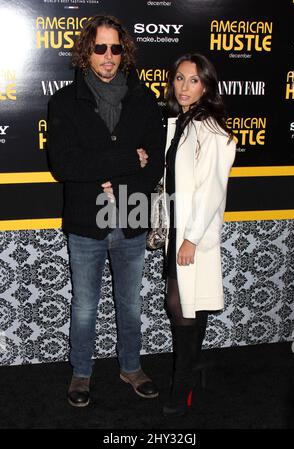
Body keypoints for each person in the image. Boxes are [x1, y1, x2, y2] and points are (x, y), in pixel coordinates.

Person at [47, 15, 165, 407]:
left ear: (124, 52)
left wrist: (115, 171)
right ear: (87, 52)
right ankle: (81, 374)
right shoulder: (65, 101)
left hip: (132, 212)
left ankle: (130, 367)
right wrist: (125, 160)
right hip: (86, 216)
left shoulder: (144, 99)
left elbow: (155, 163)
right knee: (84, 305)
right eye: (100, 48)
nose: (109, 56)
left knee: (130, 302)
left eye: (116, 48)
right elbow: (64, 165)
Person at [162, 53, 236, 416]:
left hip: (194, 232)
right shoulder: (181, 122)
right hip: (178, 226)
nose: (184, 86)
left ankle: (183, 386)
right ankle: (191, 372)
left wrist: (191, 238)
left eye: (193, 80)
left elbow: (212, 191)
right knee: (184, 303)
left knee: (182, 306)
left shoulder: (213, 129)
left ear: (206, 84)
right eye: (179, 78)